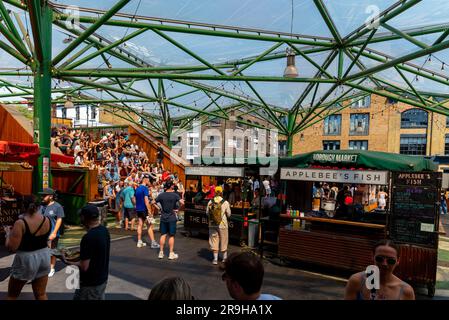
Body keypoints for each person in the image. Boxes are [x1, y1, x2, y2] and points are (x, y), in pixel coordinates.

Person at [4, 196, 52, 300]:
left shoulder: (20, 223)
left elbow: (12, 247)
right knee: (41, 294)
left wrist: (8, 233)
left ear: (23, 206)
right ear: (38, 207)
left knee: (12, 295)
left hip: (26, 259)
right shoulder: (47, 219)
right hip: (44, 256)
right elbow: (47, 239)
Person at [63, 205, 110, 300]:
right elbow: (97, 251)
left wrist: (66, 260)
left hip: (90, 284)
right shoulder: (104, 230)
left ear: (83, 217)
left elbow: (84, 266)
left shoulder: (88, 237)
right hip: (101, 279)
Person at [344, 239, 415, 300]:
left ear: (398, 261)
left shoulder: (406, 291)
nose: (384, 264)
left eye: (390, 261)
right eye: (379, 259)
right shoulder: (357, 281)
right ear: (372, 256)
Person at [39, 188, 64, 278]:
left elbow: (59, 219)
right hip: (42, 233)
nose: (42, 196)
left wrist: (54, 232)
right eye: (42, 195)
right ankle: (43, 267)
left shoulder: (58, 206)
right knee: (42, 251)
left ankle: (51, 268)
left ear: (51, 196)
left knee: (52, 251)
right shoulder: (41, 205)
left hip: (52, 233)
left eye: (44, 195)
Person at [156, 180, 184, 260]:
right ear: (171, 186)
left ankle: (161, 253)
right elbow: (182, 203)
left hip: (163, 217)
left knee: (163, 234)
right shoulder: (175, 195)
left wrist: (159, 209)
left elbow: (153, 202)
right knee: (171, 236)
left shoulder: (161, 195)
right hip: (171, 217)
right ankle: (171, 253)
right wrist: (178, 209)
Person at [206, 186, 231, 265]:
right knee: (224, 239)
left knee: (214, 240)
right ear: (221, 193)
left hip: (213, 223)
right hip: (222, 224)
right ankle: (224, 258)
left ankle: (215, 259)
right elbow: (229, 214)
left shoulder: (210, 201)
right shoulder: (225, 202)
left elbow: (207, 213)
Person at [135, 175, 160, 249]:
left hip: (138, 209)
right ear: (145, 180)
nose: (149, 182)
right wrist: (149, 211)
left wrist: (136, 205)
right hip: (144, 209)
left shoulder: (138, 188)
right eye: (148, 180)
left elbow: (134, 199)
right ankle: (153, 243)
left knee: (140, 224)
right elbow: (146, 201)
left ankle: (139, 242)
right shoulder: (145, 188)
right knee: (149, 225)